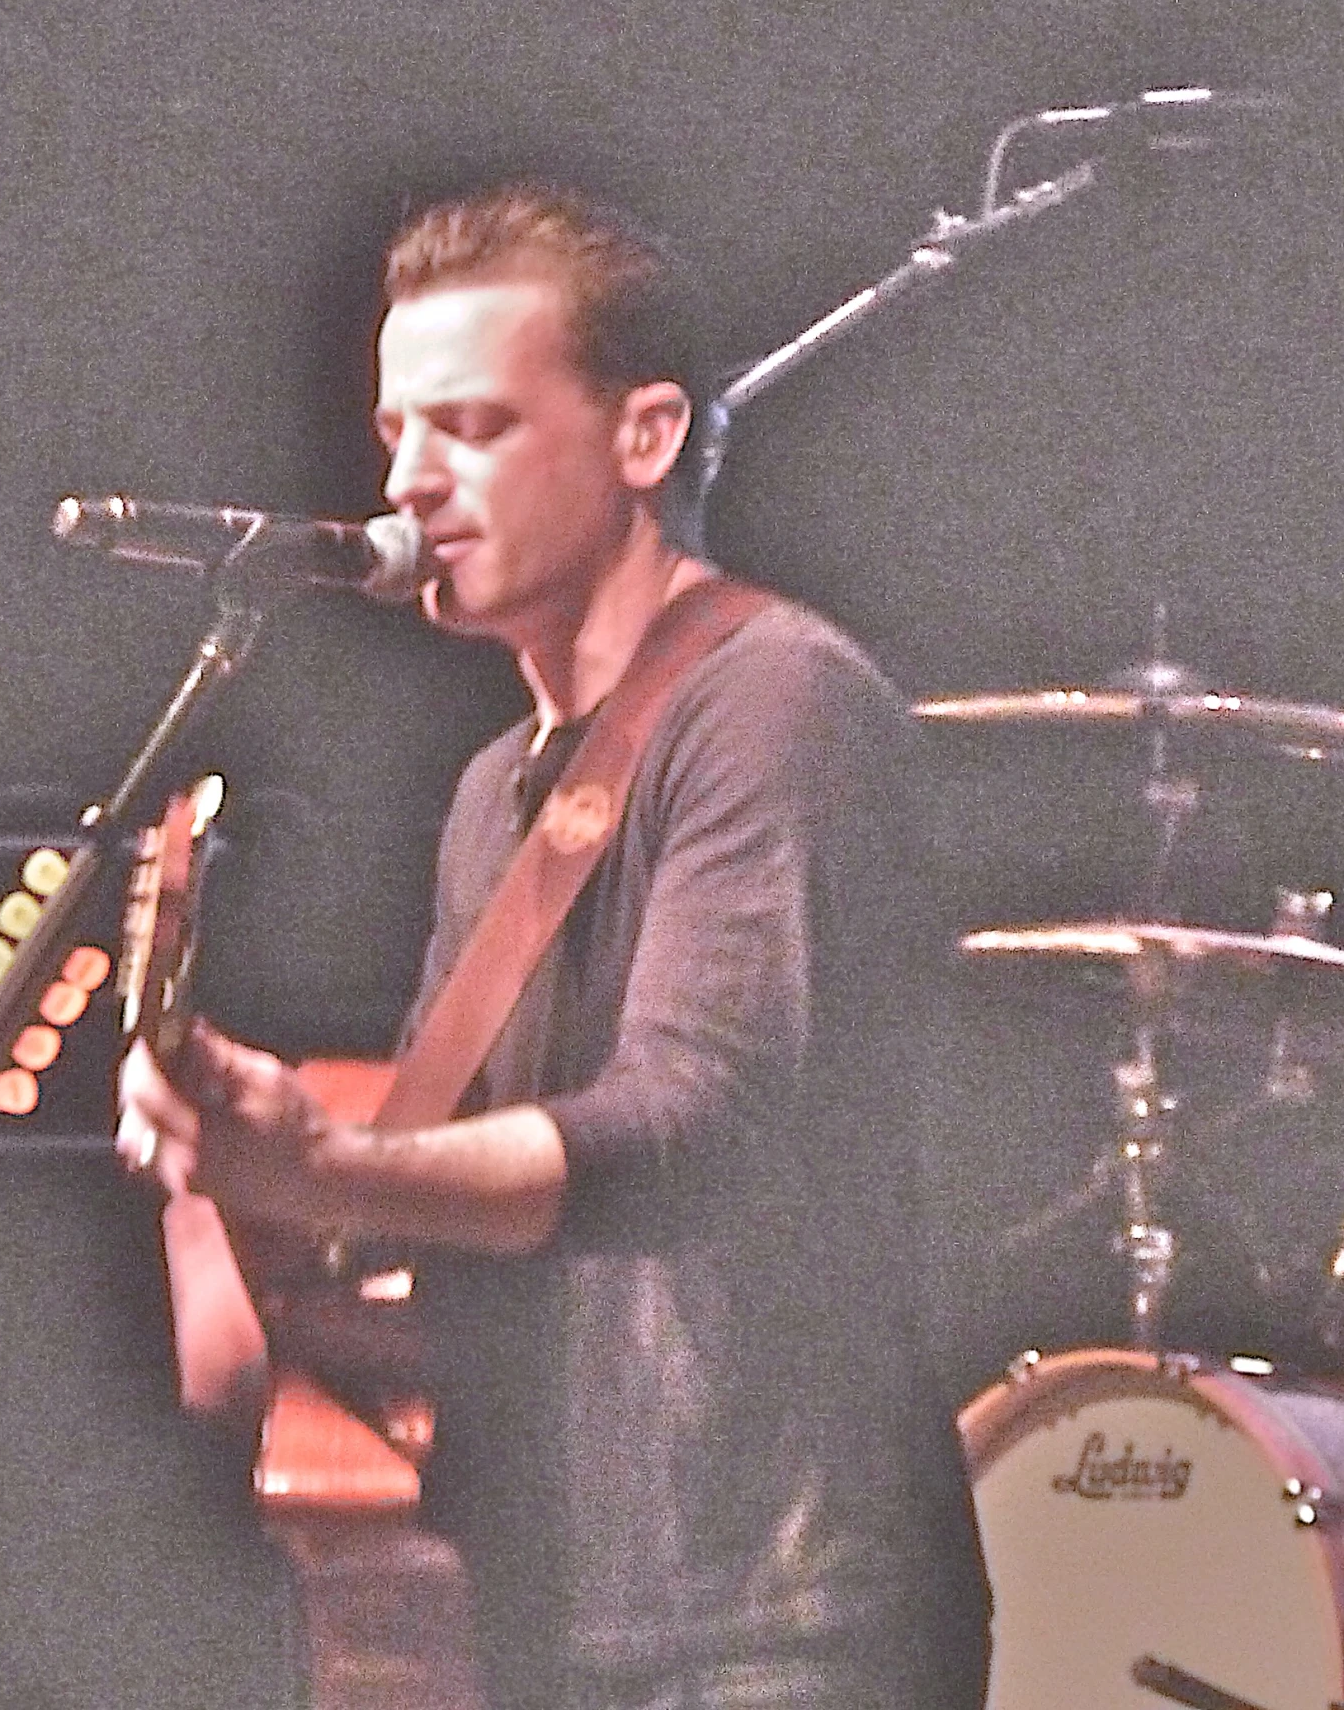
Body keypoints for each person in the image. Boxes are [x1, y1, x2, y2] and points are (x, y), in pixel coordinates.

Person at [118, 185, 991, 1710]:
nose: (408, 485)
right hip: (548, 1608)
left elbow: (686, 1126)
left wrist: (322, 1159)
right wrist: (239, 1207)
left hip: (771, 1616)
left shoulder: (772, 702)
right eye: (396, 433)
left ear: (642, 438)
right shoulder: (486, 797)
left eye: (471, 426)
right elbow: (454, 1235)